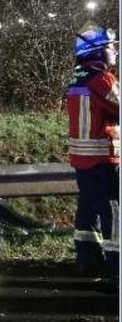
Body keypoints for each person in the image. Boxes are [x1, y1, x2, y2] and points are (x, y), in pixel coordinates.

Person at [65, 22, 120, 282]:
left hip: (82, 161)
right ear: (98, 52)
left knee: (87, 212)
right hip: (103, 161)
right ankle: (117, 269)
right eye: (111, 47)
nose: (116, 52)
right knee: (114, 212)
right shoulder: (103, 79)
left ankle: (88, 262)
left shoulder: (77, 78)